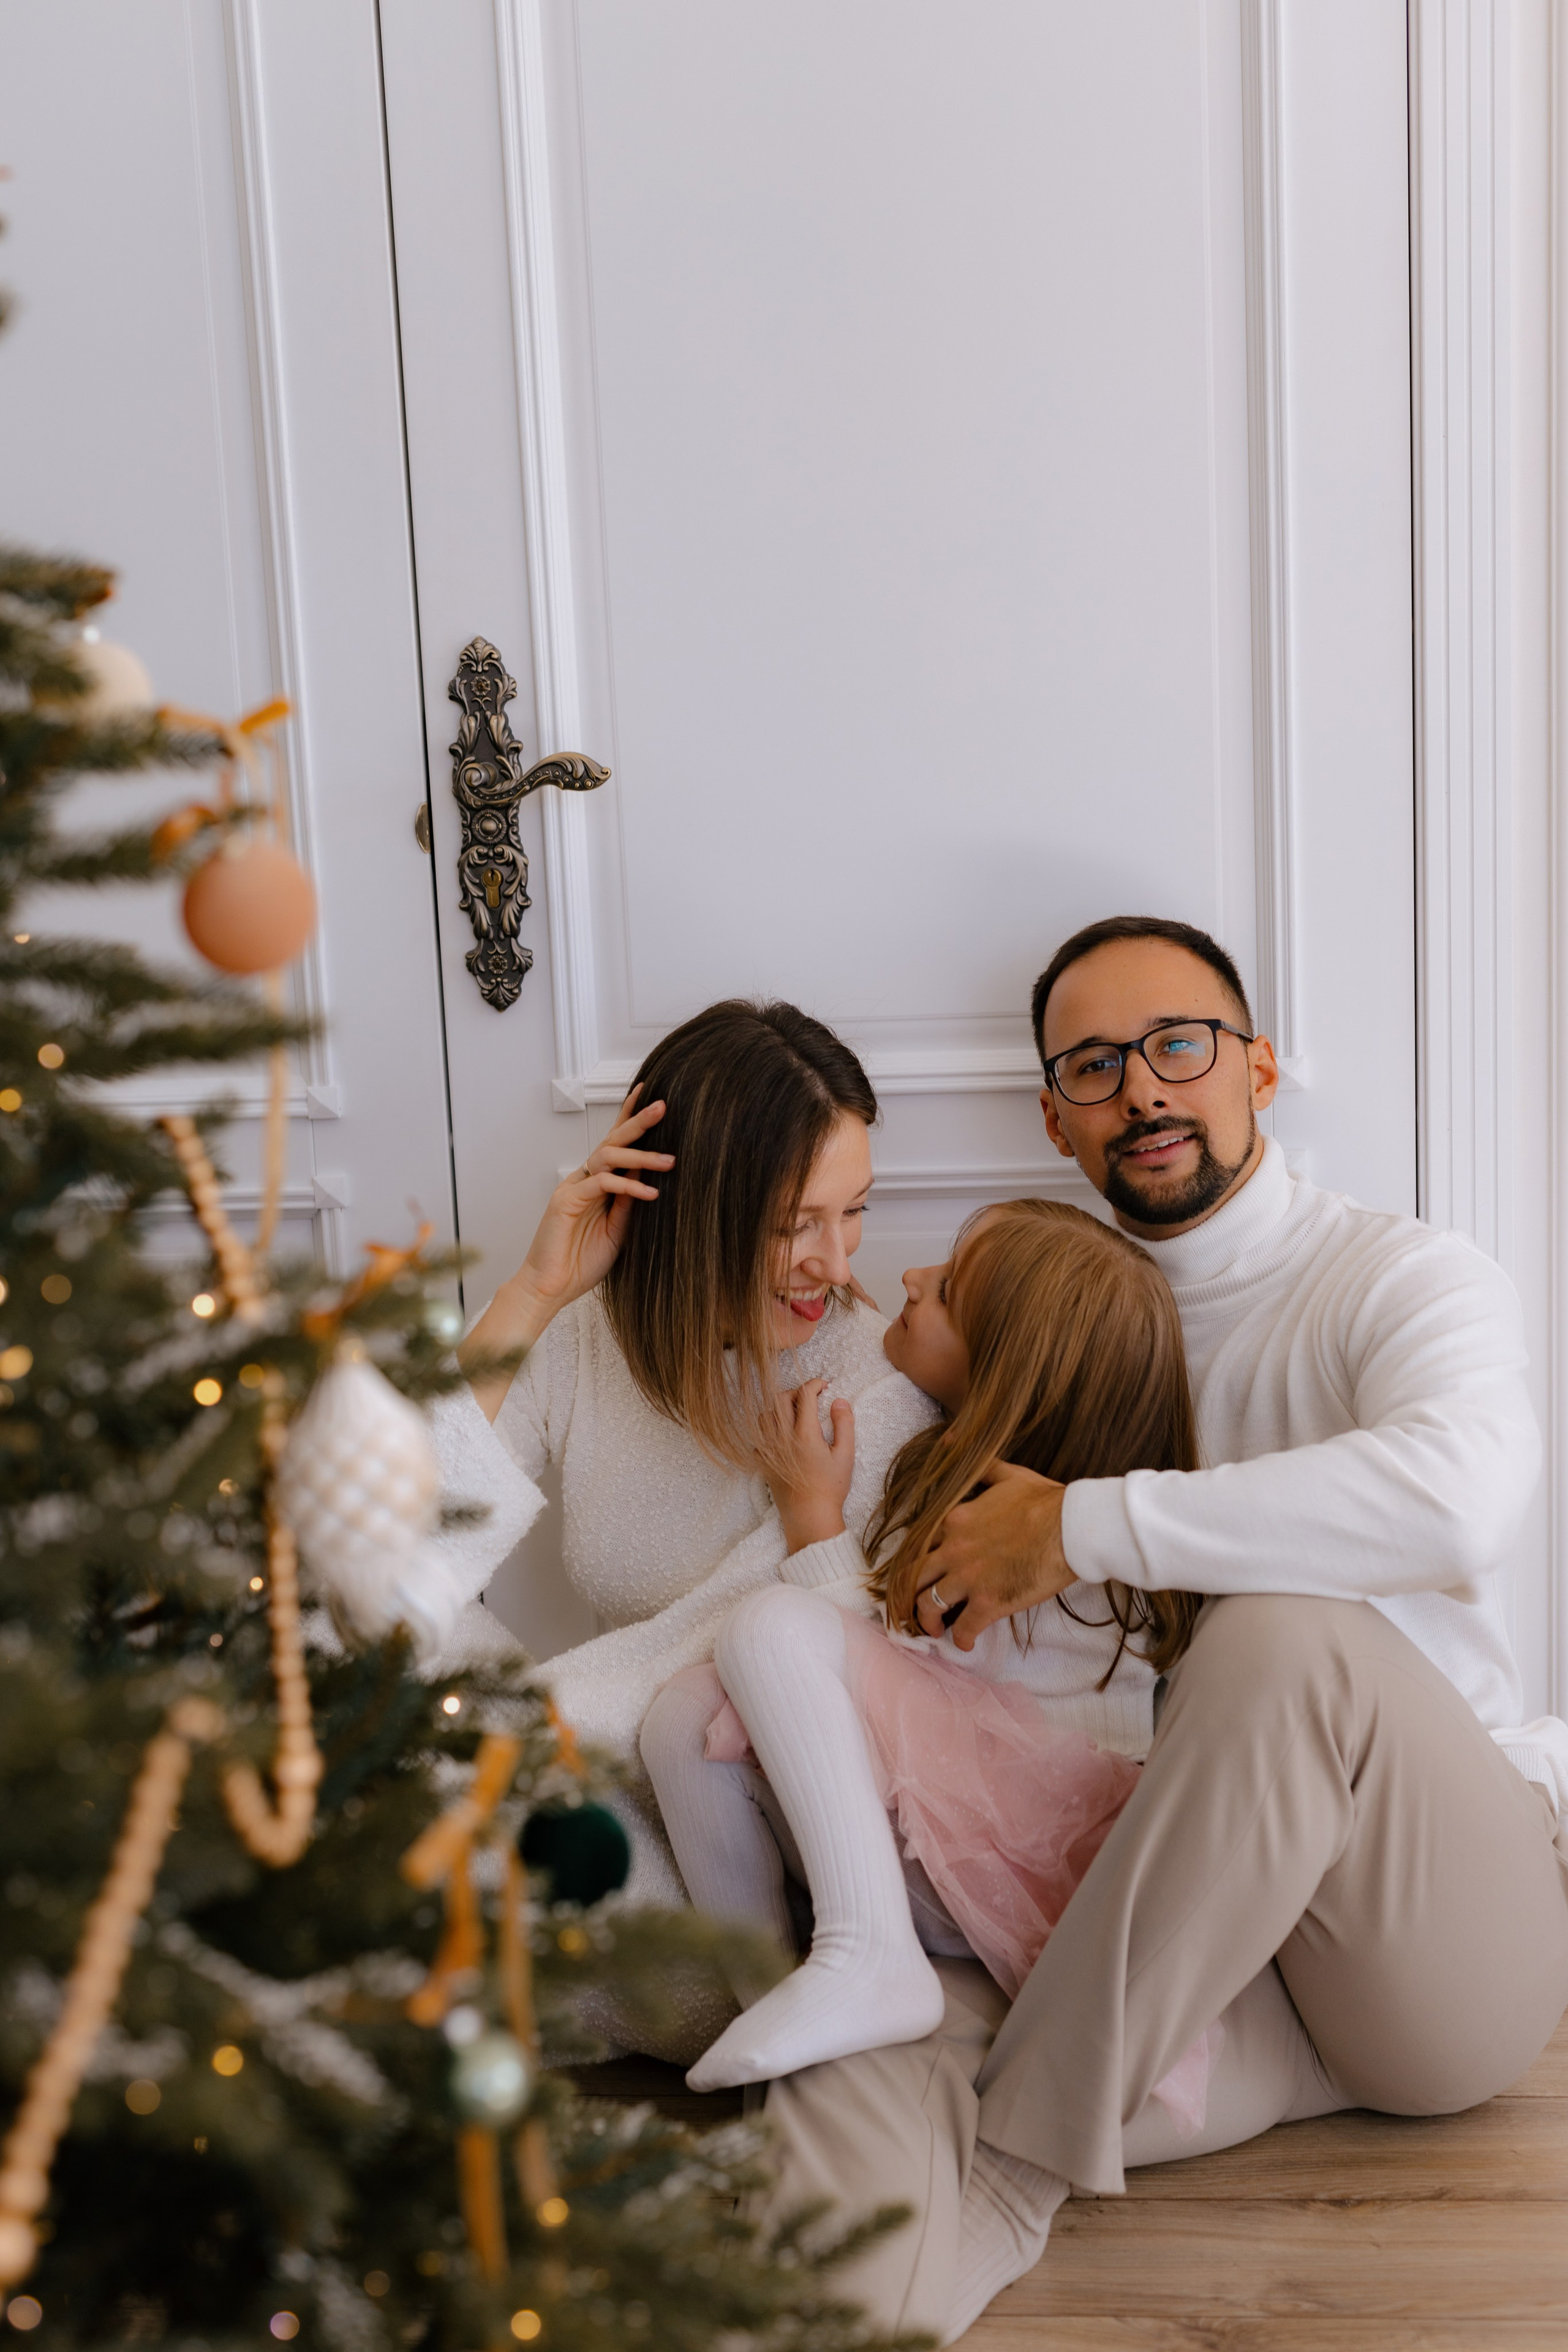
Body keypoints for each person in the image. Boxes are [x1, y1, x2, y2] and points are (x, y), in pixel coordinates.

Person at [753, 914, 1568, 2345]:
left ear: (1256, 1067)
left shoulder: (1397, 1278)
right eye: (1092, 1065)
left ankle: (1023, 2161)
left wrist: (1076, 1521)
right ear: (1055, 1123)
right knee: (864, 2041)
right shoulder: (1031, 1321)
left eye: (1176, 1045)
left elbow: (1460, 1502)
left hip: (1421, 1938)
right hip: (1171, 1943)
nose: (1141, 1088)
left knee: (1276, 1641)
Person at [641, 1198, 1209, 2108]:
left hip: (1008, 1862)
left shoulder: (1048, 1557)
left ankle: (868, 1957)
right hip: (924, 1839)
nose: (911, 1279)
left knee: (767, 1629)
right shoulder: (948, 1474)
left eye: (944, 1291)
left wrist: (813, 1522)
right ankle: (780, 2022)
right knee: (680, 1721)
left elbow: (893, 1686)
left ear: (1008, 1375)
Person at [420, 999, 938, 1942]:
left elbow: (710, 1652)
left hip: (762, 1849)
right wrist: (531, 1295)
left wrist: (484, 1758)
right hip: (588, 1783)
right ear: (691, 1213)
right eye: (796, 1225)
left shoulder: (876, 1382)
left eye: (853, 1212)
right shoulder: (584, 1344)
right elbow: (398, 1553)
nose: (835, 1261)